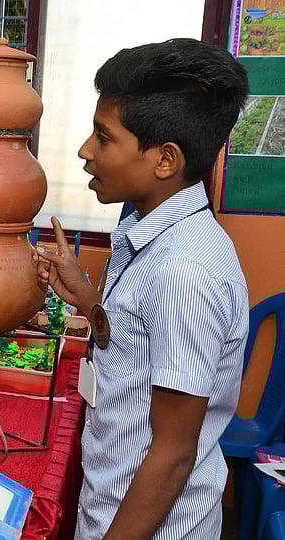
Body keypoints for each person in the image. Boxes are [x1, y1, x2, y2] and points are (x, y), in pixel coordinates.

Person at [34, 38, 250, 539]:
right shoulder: (148, 231)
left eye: (103, 138)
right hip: (109, 505)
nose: (86, 151)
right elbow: (139, 346)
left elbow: (173, 457)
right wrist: (89, 299)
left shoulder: (187, 270)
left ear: (165, 160)